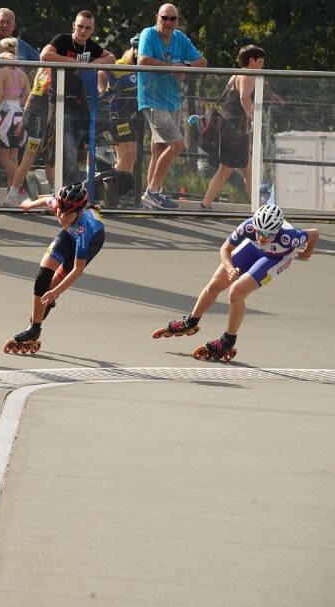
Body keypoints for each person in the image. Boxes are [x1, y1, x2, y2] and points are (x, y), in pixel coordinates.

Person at [152, 204, 319, 361]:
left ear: (277, 231)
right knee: (215, 284)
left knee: (237, 291)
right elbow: (225, 249)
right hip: (252, 249)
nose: (261, 237)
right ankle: (191, 321)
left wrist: (307, 252)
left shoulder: (289, 238)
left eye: (268, 234)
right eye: (259, 231)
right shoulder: (248, 227)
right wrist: (230, 267)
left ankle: (228, 339)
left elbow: (314, 233)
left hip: (277, 258)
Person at [4, 182, 105, 354]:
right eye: (60, 211)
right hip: (69, 234)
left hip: (90, 241)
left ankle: (33, 326)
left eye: (69, 213)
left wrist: (56, 292)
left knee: (51, 289)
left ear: (80, 212)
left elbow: (77, 270)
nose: (62, 216)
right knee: (43, 276)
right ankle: (34, 329)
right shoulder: (61, 206)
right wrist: (29, 205)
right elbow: (47, 201)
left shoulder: (84, 228)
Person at [137, 3, 207, 210]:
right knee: (177, 145)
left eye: (172, 19)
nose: (168, 22)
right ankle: (153, 192)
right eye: (164, 18)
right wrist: (171, 66)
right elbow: (142, 59)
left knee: (158, 149)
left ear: (177, 20)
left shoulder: (180, 38)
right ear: (157, 17)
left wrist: (185, 66)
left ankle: (147, 200)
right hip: (151, 100)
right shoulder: (148, 34)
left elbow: (202, 61)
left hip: (171, 101)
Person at [38, 10, 114, 187]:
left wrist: (93, 64)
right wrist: (73, 63)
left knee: (83, 145)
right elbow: (44, 56)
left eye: (87, 28)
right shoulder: (62, 40)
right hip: (58, 101)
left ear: (92, 30)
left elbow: (111, 58)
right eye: (80, 26)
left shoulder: (90, 46)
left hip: (79, 104)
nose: (83, 31)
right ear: (74, 26)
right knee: (60, 151)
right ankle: (67, 191)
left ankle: (73, 191)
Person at [0, 7, 38, 197]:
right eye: (1, 21)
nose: (4, 25)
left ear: (14, 25)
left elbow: (39, 62)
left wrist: (27, 93)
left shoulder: (21, 45)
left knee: (10, 153)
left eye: (8, 21)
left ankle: (19, 190)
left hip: (11, 109)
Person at [198, 46, 265, 210]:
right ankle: (261, 211)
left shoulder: (236, 74)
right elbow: (244, 98)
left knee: (240, 171)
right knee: (232, 170)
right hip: (235, 130)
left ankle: (259, 209)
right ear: (251, 61)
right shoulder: (248, 74)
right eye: (260, 61)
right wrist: (255, 120)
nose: (263, 64)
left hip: (228, 128)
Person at [0, 67, 51, 207]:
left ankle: (16, 192)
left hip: (35, 114)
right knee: (29, 156)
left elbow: (33, 94)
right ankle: (15, 193)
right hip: (38, 117)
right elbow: (38, 95)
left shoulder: (43, 70)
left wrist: (24, 117)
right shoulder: (47, 71)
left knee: (40, 157)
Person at [0, 37, 30, 202]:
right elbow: (29, 96)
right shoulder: (22, 74)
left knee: (2, 155)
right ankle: (11, 195)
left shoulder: (0, 72)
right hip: (19, 113)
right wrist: (17, 100)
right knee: (13, 155)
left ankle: (21, 188)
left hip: (5, 114)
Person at [97, 34, 140, 177]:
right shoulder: (121, 64)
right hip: (118, 114)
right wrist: (103, 94)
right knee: (125, 153)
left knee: (132, 153)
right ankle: (116, 186)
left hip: (130, 115)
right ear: (133, 50)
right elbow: (100, 75)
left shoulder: (141, 68)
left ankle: (124, 185)